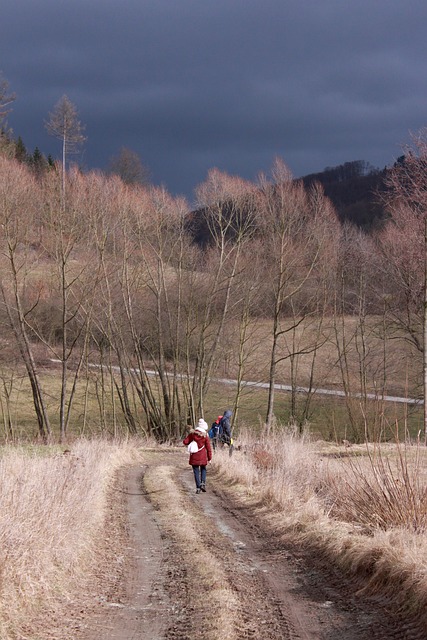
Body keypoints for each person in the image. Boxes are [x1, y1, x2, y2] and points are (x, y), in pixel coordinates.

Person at [183, 418, 212, 494]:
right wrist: (209, 458)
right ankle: (203, 483)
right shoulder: (205, 436)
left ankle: (198, 488)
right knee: (203, 469)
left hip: (194, 456)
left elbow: (185, 442)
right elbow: (208, 448)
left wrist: (190, 440)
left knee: (196, 471)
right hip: (202, 456)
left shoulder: (192, 434)